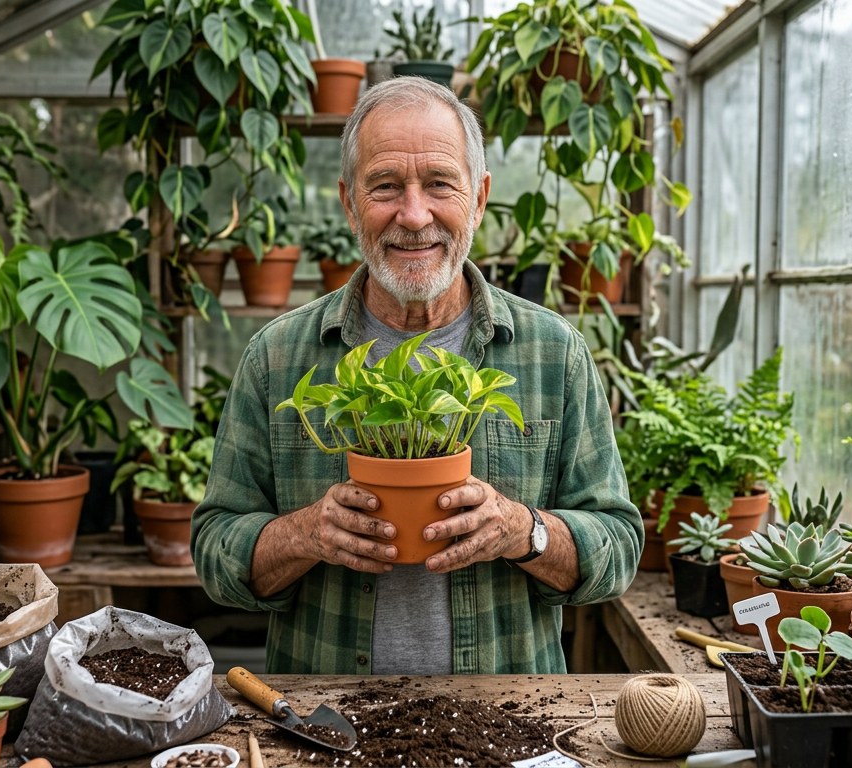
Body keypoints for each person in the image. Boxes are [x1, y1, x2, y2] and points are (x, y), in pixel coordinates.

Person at [192, 77, 642, 675]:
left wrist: (521, 530)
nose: (413, 214)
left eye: (439, 184)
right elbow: (214, 550)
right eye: (384, 186)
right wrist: (306, 534)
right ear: (349, 203)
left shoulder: (553, 352)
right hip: (325, 722)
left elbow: (618, 545)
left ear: (478, 199)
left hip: (504, 721)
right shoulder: (277, 357)